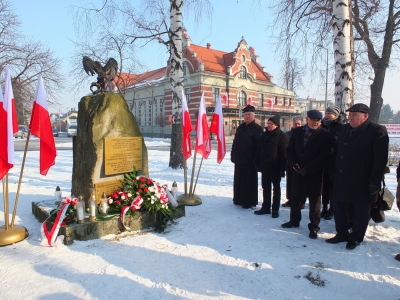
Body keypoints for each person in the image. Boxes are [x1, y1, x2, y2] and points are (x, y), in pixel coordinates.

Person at [326, 103, 389, 250]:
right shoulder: (345, 128)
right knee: (339, 206)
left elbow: (380, 159)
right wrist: (333, 169)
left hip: (363, 180)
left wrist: (375, 180)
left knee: (361, 211)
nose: (351, 117)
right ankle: (341, 234)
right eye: (350, 115)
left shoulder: (376, 130)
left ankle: (355, 238)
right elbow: (337, 151)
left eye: (355, 115)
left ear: (365, 116)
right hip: (342, 177)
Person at [282, 110, 334, 240]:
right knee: (295, 198)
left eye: (318, 120)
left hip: (315, 174)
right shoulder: (297, 132)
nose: (315, 122)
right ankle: (294, 221)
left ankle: (314, 227)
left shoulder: (326, 135)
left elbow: (324, 156)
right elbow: (289, 150)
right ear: (307, 119)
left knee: (314, 203)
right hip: (297, 171)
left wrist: (308, 169)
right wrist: (294, 164)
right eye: (313, 119)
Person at [254, 115, 289, 218]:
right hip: (265, 166)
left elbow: (284, 154)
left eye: (271, 124)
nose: (268, 125)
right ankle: (265, 207)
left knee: (276, 189)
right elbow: (259, 150)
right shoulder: (264, 135)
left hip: (276, 167)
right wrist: (257, 163)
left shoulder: (283, 136)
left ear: (277, 125)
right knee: (265, 188)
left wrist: (282, 169)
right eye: (268, 123)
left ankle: (275, 209)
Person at [231, 105, 263, 208]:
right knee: (238, 181)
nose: (247, 117)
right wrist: (233, 154)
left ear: (254, 116)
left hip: (250, 161)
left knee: (248, 182)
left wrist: (256, 160)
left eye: (249, 115)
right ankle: (238, 199)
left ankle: (248, 202)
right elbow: (235, 142)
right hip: (239, 159)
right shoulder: (241, 127)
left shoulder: (258, 129)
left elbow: (259, 146)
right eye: (245, 115)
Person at [320, 105, 343, 220]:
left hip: (334, 161)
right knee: (323, 186)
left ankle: (332, 208)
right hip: (321, 160)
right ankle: (324, 207)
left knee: (332, 187)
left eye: (330, 113)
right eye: (327, 113)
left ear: (336, 116)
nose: (327, 115)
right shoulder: (321, 125)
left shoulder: (340, 127)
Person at [282, 117, 306, 209]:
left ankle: (301, 201)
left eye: (299, 124)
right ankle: (290, 199)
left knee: (301, 184)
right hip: (289, 163)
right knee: (290, 183)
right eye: (295, 123)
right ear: (293, 124)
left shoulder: (304, 134)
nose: (297, 125)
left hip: (300, 164)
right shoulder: (287, 135)